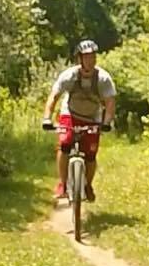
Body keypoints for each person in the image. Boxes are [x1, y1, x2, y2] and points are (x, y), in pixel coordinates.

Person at [41, 39, 116, 201]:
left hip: (92, 117)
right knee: (65, 144)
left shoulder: (103, 78)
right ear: (79, 59)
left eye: (93, 57)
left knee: (90, 154)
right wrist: (47, 118)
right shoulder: (69, 76)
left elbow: (110, 102)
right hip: (70, 114)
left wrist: (106, 122)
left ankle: (88, 185)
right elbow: (54, 97)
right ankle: (63, 184)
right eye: (87, 57)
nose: (91, 61)